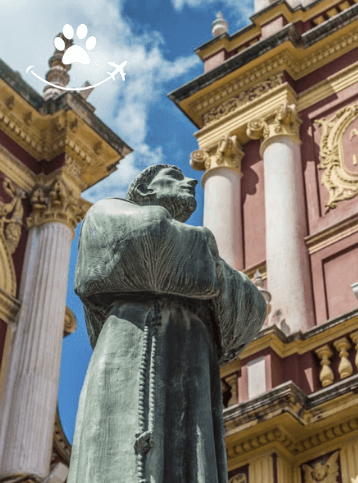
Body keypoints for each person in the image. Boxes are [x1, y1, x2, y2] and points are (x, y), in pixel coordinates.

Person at [68, 164, 266, 482]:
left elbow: (250, 311)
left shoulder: (194, 245)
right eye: (172, 177)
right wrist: (214, 271)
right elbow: (150, 237)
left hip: (192, 367)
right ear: (144, 190)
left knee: (192, 460)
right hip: (131, 347)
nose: (189, 180)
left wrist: (201, 269)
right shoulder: (106, 211)